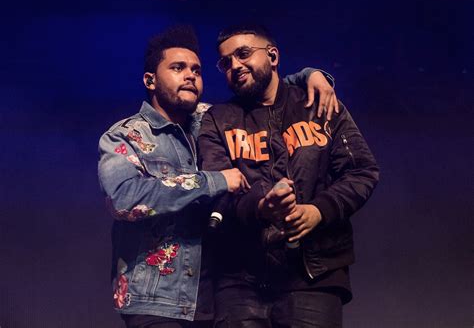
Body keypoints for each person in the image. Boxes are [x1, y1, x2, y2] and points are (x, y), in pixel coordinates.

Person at [98, 25, 339, 328]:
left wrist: (310, 75)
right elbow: (125, 199)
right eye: (178, 68)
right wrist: (217, 180)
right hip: (158, 302)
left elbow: (264, 89)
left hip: (216, 298)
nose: (190, 75)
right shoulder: (124, 135)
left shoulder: (211, 119)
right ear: (150, 80)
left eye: (197, 70)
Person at [198, 24, 379, 328]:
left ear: (273, 55)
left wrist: (317, 211)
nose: (235, 66)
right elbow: (215, 189)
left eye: (243, 54)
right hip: (240, 280)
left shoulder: (318, 103)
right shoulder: (217, 119)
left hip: (314, 275)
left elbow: (362, 170)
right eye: (225, 62)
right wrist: (258, 206)